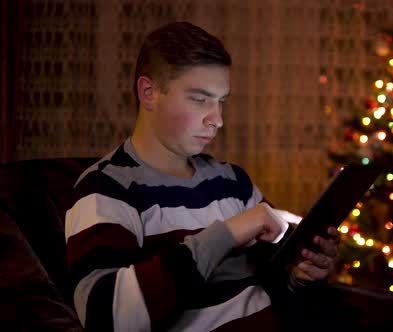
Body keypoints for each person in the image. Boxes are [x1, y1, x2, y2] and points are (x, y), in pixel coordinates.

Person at [65, 21, 340, 332]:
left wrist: (303, 275)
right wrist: (228, 233)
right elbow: (106, 318)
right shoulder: (106, 188)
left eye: (221, 101)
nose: (217, 120)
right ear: (149, 93)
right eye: (200, 99)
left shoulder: (233, 181)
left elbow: (276, 284)